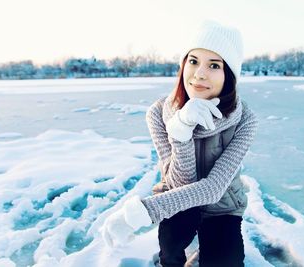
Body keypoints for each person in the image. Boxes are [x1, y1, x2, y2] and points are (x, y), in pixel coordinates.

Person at [100, 20, 258, 267]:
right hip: (177, 199)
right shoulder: (158, 112)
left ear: (229, 75)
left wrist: (142, 212)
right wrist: (180, 131)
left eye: (214, 65)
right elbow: (178, 183)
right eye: (193, 61)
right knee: (171, 248)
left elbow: (214, 188)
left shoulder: (245, 119)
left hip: (222, 206)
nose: (199, 74)